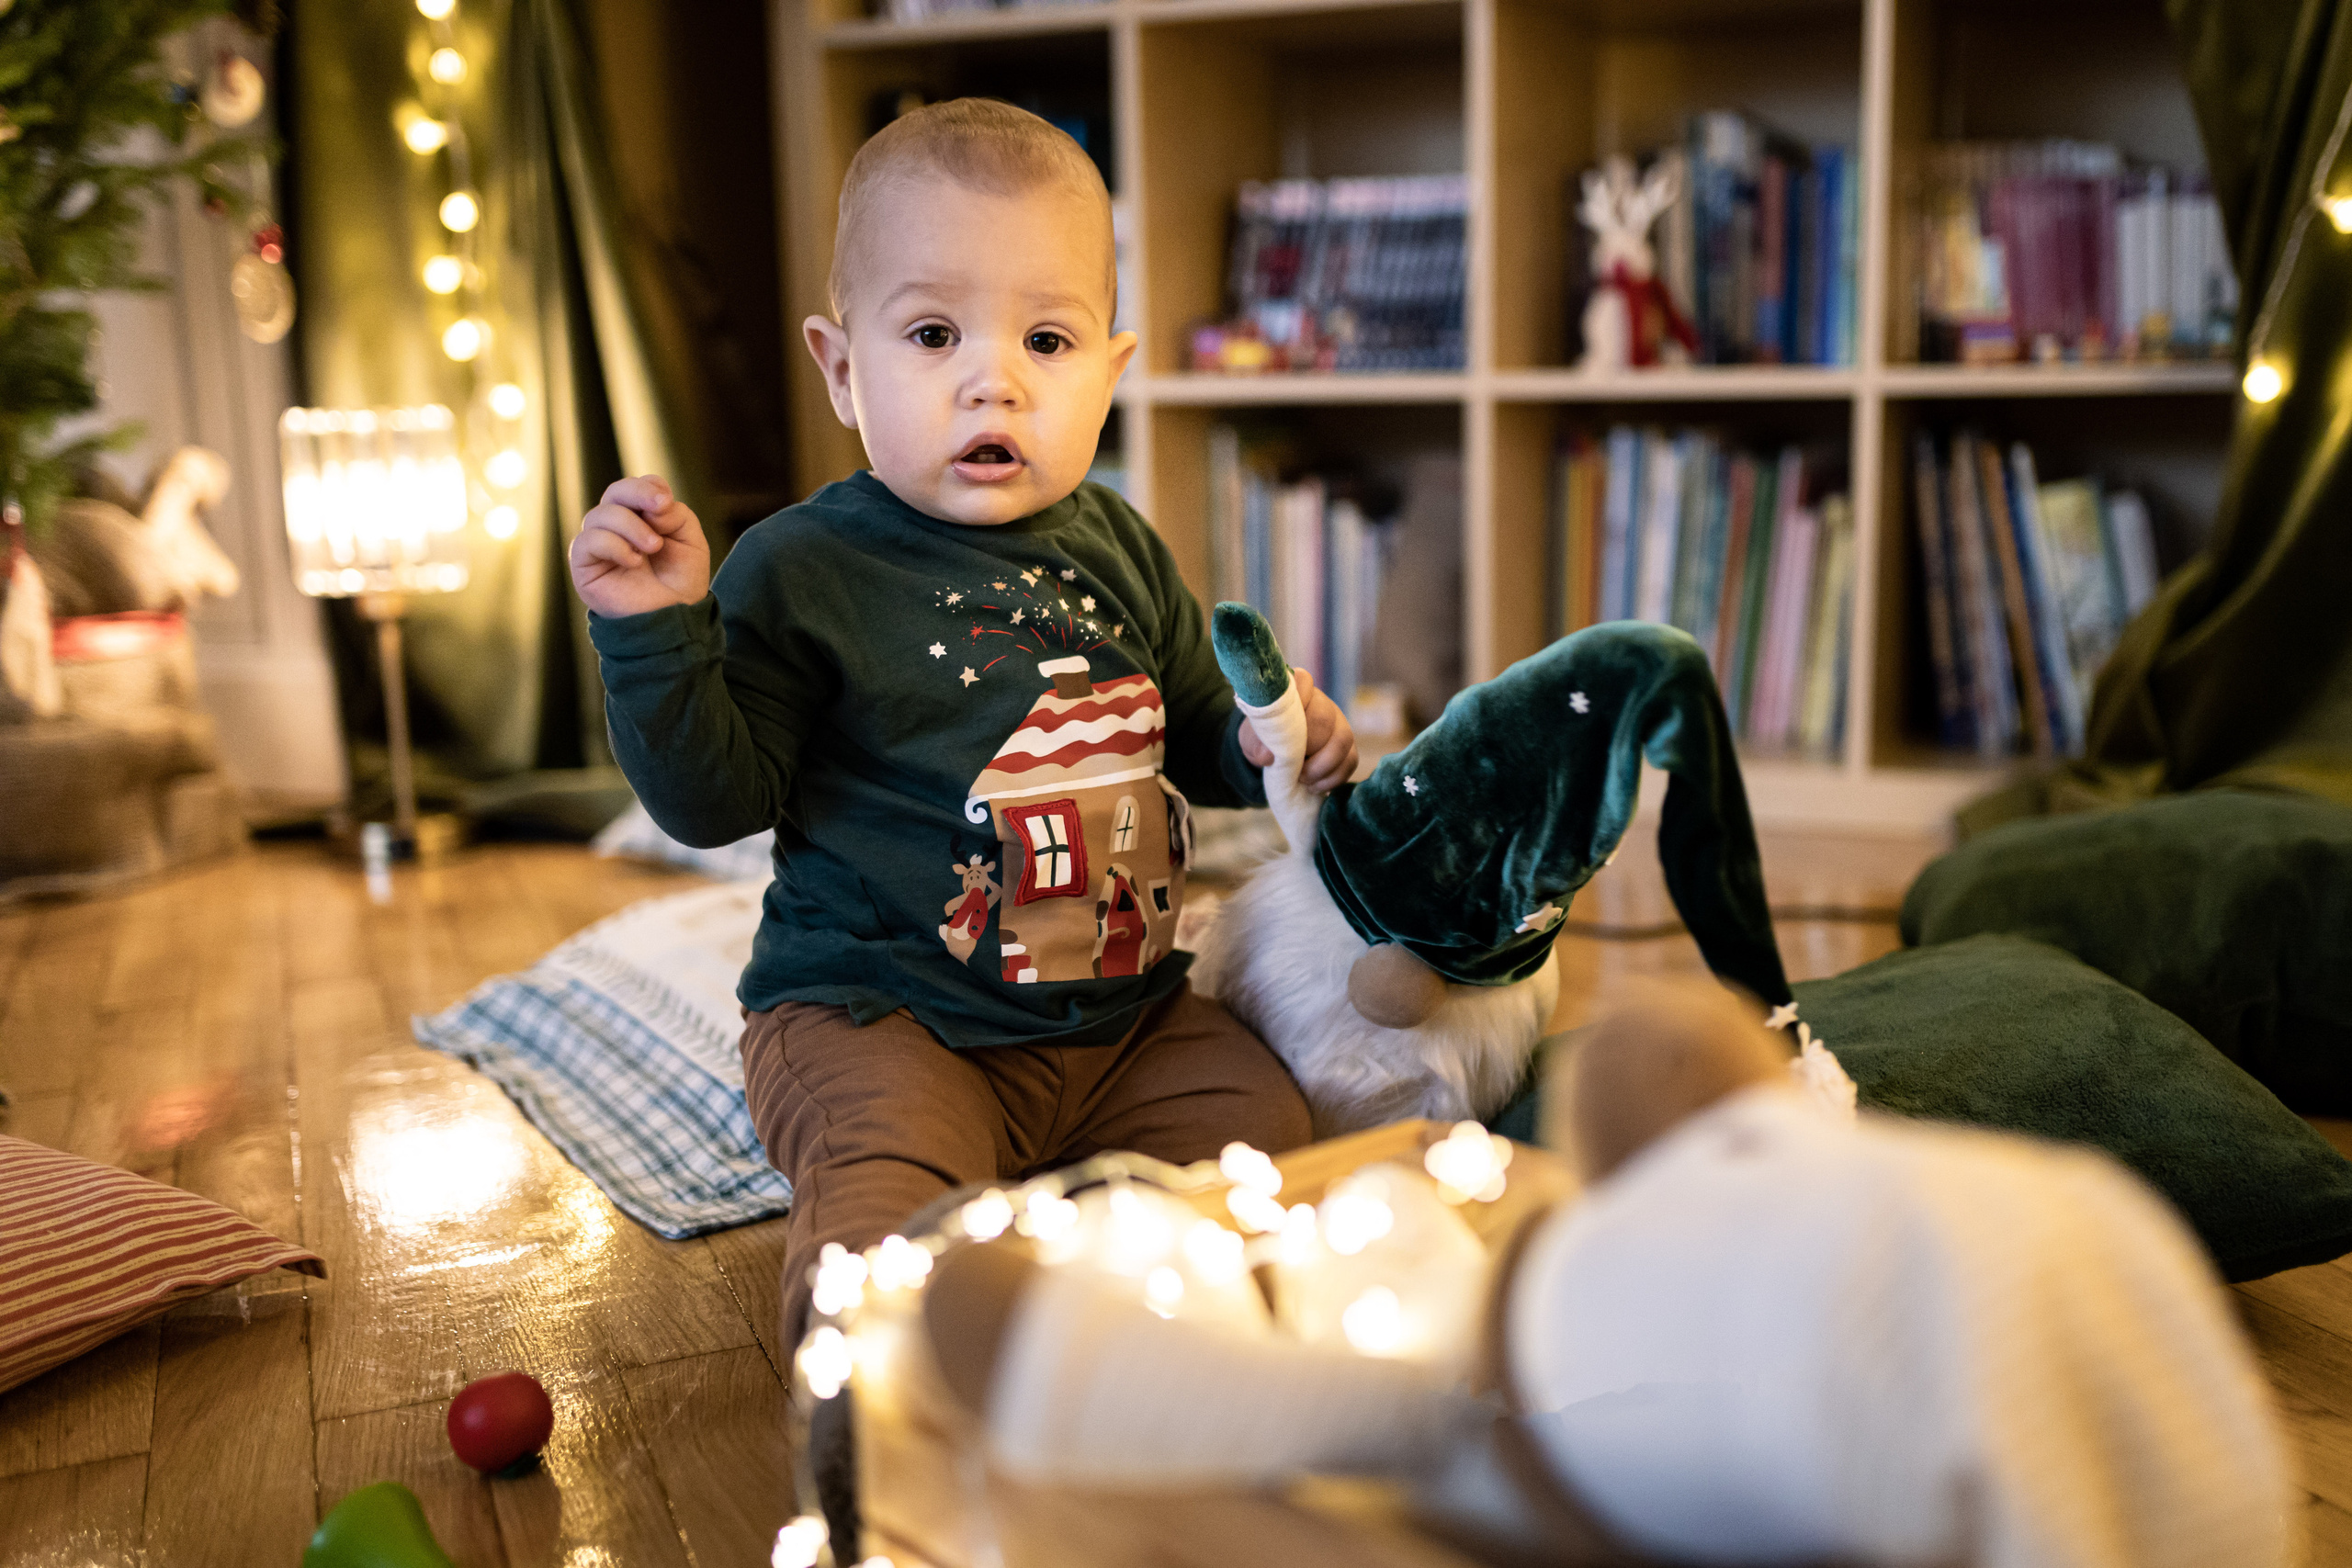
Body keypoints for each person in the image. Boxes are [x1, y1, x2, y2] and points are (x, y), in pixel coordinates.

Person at [569, 98, 1351, 1345]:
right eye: (933, 334)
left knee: (1262, 1140)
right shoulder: (800, 569)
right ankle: (893, 1425)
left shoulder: (1119, 545)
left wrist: (1268, 735)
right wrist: (657, 633)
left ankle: (1145, 1340)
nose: (994, 378)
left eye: (1047, 339)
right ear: (840, 367)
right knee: (887, 1238)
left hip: (1124, 1020)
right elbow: (711, 801)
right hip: (884, 1018)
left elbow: (1189, 723)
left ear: (1112, 371)